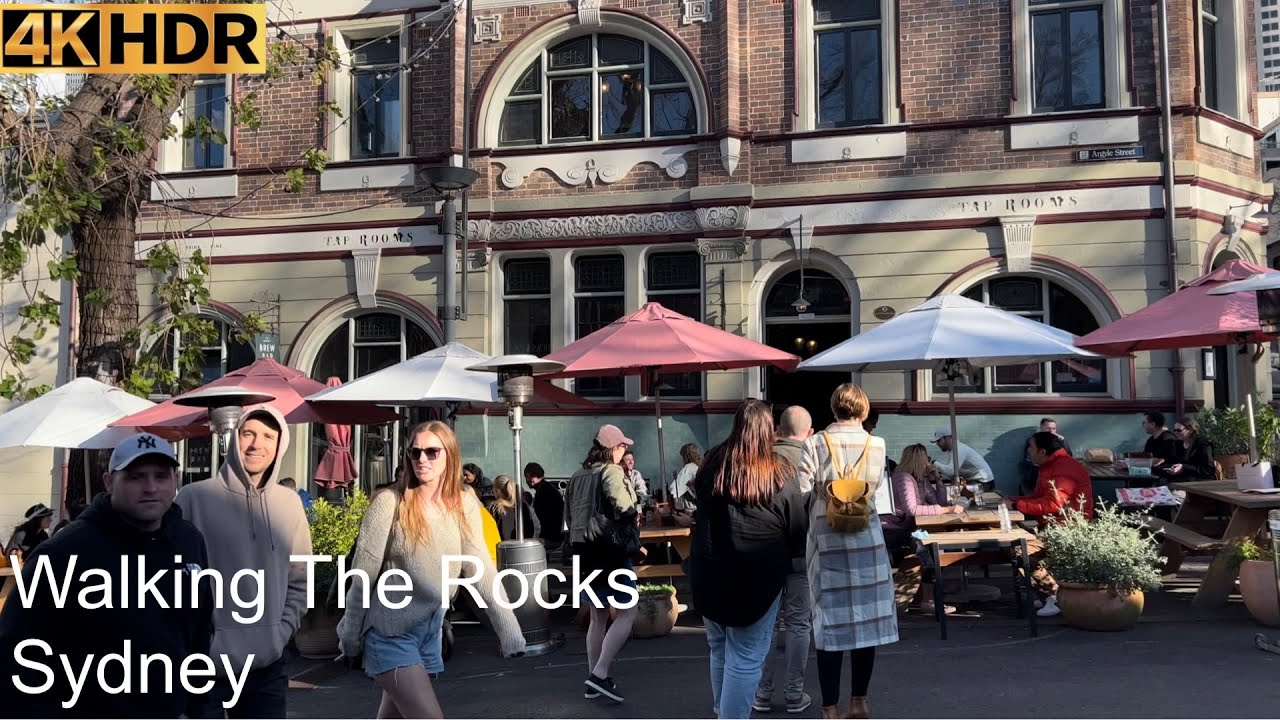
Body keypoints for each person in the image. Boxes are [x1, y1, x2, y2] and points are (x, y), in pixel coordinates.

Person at [0, 433, 214, 717]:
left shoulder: (189, 540)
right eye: (135, 477)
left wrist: (202, 708)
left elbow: (198, 636)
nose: (150, 487)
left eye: (161, 476)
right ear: (109, 482)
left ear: (176, 480)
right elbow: (18, 656)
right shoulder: (63, 554)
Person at [338, 421, 526, 720]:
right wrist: (350, 635)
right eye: (415, 452)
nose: (422, 459)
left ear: (449, 455)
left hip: (430, 632)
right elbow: (363, 573)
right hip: (389, 633)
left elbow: (479, 567)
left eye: (431, 451)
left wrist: (509, 629)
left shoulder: (464, 501)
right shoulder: (390, 502)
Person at [178, 406, 312, 719]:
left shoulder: (289, 503)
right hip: (204, 667)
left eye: (268, 436)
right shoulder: (193, 497)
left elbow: (300, 578)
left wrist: (279, 635)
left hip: (267, 666)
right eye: (248, 433)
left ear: (280, 445)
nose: (256, 444)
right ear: (234, 439)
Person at [691, 400, 808, 720]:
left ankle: (722, 712)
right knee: (745, 657)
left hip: (710, 569)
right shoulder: (779, 469)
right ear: (770, 430)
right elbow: (797, 525)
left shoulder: (713, 461)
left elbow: (698, 508)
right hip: (757, 578)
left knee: (719, 649)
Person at [800, 383, 897, 720]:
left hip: (827, 541)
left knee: (829, 624)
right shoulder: (877, 444)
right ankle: (860, 701)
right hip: (866, 540)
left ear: (833, 409)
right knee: (864, 623)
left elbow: (801, 488)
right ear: (864, 410)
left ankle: (829, 708)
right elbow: (876, 487)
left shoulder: (815, 443)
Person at [565, 424, 640, 703]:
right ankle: (599, 675)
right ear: (611, 448)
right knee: (628, 613)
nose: (625, 451)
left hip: (582, 549)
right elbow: (624, 507)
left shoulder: (577, 474)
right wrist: (634, 503)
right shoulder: (611, 471)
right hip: (609, 551)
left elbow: (570, 518)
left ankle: (593, 680)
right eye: (622, 447)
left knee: (597, 616)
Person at [753, 405, 815, 715]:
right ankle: (794, 693)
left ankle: (761, 692)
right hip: (802, 551)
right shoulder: (813, 457)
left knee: (766, 624)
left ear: (777, 430)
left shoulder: (761, 458)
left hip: (765, 551)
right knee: (799, 623)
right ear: (810, 432)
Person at [1007, 431, 1095, 618]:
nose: (1028, 452)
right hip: (1054, 526)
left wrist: (1016, 505)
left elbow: (1054, 504)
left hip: (1068, 529)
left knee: (1020, 550)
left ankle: (1054, 595)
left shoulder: (1064, 468)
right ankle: (1046, 594)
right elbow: (1038, 498)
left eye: (1031, 447)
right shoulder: (1048, 465)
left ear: (1043, 451)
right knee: (1015, 546)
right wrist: (1009, 500)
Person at [881, 444, 965, 614]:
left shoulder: (920, 479)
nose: (929, 463)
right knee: (926, 549)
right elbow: (912, 509)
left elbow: (938, 503)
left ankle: (927, 596)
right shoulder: (903, 478)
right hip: (895, 530)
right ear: (920, 460)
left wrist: (938, 480)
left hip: (910, 528)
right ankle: (928, 600)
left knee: (930, 547)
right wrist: (947, 510)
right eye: (926, 459)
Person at [930, 428, 994, 488]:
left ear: (948, 438)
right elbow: (950, 471)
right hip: (973, 481)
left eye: (939, 441)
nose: (937, 444)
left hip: (983, 482)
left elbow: (951, 471)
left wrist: (933, 462)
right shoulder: (950, 451)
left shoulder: (959, 449)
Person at [1020, 418, 1072, 493]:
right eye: (1048, 428)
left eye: (1053, 428)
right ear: (1041, 428)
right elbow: (1028, 459)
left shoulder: (1059, 441)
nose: (1051, 431)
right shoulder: (1033, 441)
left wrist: (1063, 442)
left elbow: (1069, 457)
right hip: (1036, 474)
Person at [1161, 416, 1217, 481]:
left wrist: (1183, 468)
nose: (1175, 433)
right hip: (1180, 481)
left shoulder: (1203, 445)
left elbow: (1208, 470)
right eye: (1174, 430)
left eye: (1179, 430)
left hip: (1199, 482)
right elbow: (1170, 461)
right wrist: (1171, 468)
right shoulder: (1176, 444)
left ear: (1190, 430)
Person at [489, 474, 541, 541]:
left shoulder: (496, 507)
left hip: (503, 548)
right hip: (525, 546)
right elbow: (535, 528)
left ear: (497, 491)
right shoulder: (523, 505)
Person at [525, 462, 565, 549]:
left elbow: (541, 518)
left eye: (528, 476)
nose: (527, 480)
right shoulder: (547, 488)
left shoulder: (543, 491)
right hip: (555, 536)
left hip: (550, 538)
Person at [670, 443, 702, 512]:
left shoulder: (689, 468)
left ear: (686, 456)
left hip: (692, 510)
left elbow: (674, 490)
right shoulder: (699, 466)